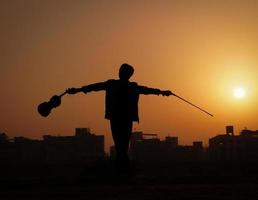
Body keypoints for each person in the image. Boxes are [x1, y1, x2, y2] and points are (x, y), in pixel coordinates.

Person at [66, 63, 173, 174]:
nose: (120, 72)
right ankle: (124, 172)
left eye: (121, 70)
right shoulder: (131, 86)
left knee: (120, 146)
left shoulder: (113, 84)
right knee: (123, 146)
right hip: (125, 118)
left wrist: (78, 90)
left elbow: (95, 87)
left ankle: (121, 172)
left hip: (116, 118)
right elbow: (148, 90)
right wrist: (162, 92)